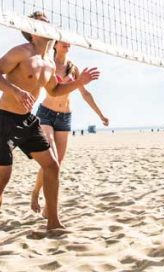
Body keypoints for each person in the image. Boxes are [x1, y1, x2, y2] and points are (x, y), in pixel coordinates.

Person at [0, 11, 100, 244]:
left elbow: (54, 90)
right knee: (2, 178)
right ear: (33, 31)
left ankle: (53, 222)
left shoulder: (48, 62)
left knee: (52, 166)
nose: (49, 26)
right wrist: (15, 90)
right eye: (42, 23)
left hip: (27, 121)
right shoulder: (21, 52)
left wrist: (79, 82)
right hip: (4, 119)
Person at [30, 40, 109, 215]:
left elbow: (85, 94)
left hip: (65, 117)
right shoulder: (49, 65)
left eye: (68, 41)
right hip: (46, 114)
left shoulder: (73, 68)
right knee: (51, 159)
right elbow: (44, 88)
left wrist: (101, 115)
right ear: (55, 45)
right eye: (62, 41)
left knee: (57, 164)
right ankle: (36, 193)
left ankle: (46, 205)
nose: (67, 43)